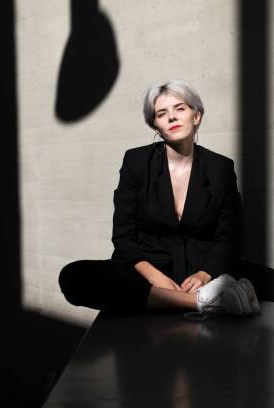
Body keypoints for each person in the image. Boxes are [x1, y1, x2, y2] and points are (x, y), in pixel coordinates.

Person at [59, 80, 260, 316]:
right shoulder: (136, 162)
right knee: (74, 276)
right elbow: (123, 235)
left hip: (206, 272)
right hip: (148, 271)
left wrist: (204, 274)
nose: (172, 117)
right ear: (155, 125)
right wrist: (155, 277)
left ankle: (209, 295)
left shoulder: (220, 168)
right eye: (162, 113)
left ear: (197, 117)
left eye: (180, 108)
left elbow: (230, 236)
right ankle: (205, 302)